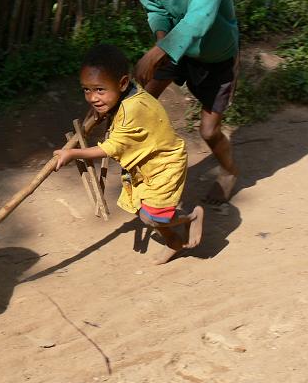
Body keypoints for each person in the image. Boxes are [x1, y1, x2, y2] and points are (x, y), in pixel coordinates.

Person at [134, 0, 239, 206]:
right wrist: (162, 42)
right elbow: (155, 8)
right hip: (175, 45)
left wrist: (157, 52)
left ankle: (230, 172)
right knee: (139, 107)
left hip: (215, 53)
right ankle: (150, 172)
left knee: (208, 131)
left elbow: (201, 15)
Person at [54, 44, 204, 265]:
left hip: (165, 163)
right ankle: (175, 242)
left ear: (122, 83)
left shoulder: (132, 110)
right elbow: (114, 118)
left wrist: (73, 153)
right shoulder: (126, 95)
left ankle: (192, 217)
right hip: (147, 164)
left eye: (99, 90)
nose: (92, 97)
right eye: (86, 90)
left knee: (150, 216)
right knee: (142, 209)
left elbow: (110, 148)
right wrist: (102, 109)